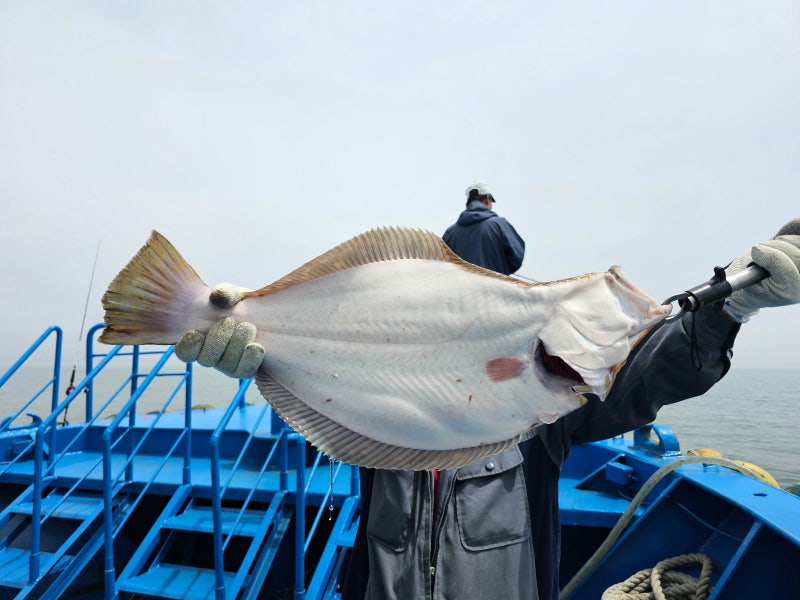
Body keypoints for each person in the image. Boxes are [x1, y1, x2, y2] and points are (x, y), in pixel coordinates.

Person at [175, 216, 800, 600]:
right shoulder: (385, 402)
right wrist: (254, 355)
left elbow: (645, 378)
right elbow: (333, 390)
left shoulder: (548, 419)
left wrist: (732, 304)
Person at [442, 181, 525, 276]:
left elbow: (443, 266)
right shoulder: (499, 225)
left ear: (467, 203)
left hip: (459, 290)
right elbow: (516, 258)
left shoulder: (450, 233)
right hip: (493, 290)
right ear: (487, 200)